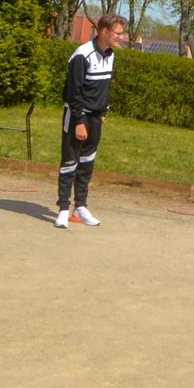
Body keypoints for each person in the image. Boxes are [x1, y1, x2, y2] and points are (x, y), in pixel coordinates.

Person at [56, 13, 127, 229]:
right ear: (104, 31)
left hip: (96, 117)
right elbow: (73, 91)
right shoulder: (82, 55)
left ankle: (80, 207)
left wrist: (103, 112)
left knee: (87, 163)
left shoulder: (110, 55)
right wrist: (79, 121)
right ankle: (63, 209)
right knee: (70, 162)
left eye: (122, 33)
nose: (121, 37)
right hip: (78, 116)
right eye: (118, 33)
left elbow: (104, 87)